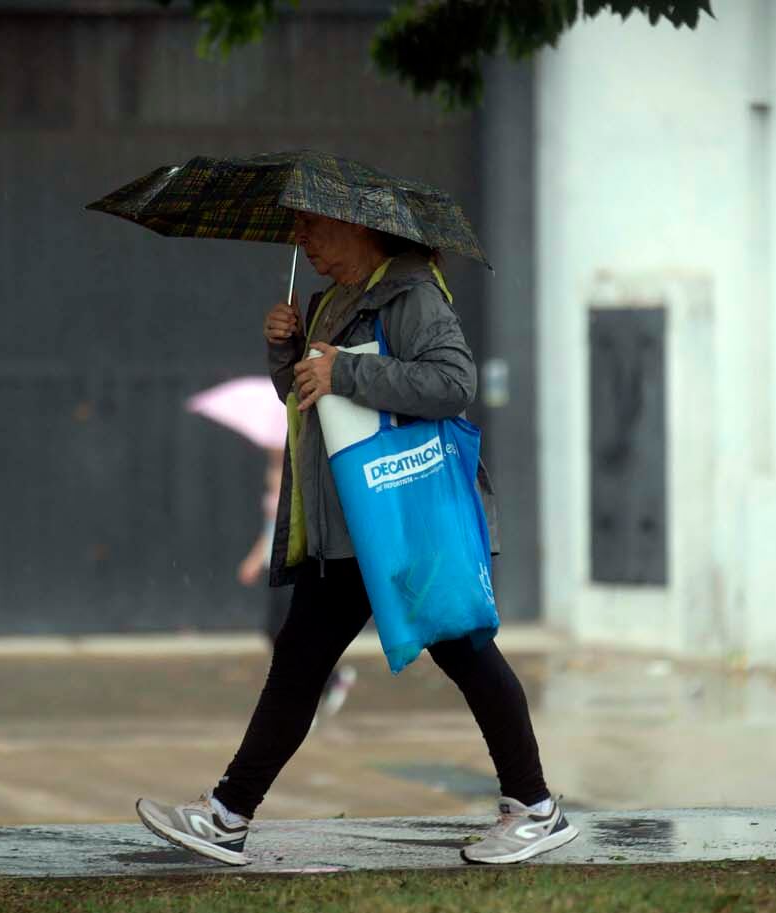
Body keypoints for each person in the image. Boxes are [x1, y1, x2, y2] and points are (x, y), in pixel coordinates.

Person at [136, 210, 578, 866]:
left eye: (313, 229)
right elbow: (310, 398)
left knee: (466, 650)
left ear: (362, 229)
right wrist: (286, 354)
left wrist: (343, 370)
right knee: (299, 662)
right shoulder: (336, 302)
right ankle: (228, 813)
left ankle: (535, 807)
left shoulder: (412, 295)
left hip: (403, 517)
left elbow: (454, 383)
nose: (302, 241)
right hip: (350, 524)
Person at [237, 445, 355, 719]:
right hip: (276, 564)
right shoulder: (276, 475)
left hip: (294, 565)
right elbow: (271, 528)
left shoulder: (298, 476)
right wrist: (256, 559)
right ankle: (328, 679)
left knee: (291, 634)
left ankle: (308, 694)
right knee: (273, 630)